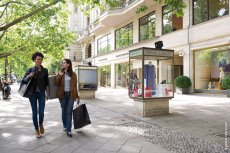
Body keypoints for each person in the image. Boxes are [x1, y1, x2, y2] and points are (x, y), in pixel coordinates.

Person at [21, 52, 49, 138]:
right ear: (34, 60)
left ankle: (41, 124)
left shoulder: (45, 70)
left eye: (41, 59)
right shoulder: (30, 70)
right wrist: (30, 75)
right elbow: (24, 81)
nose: (39, 61)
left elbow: (47, 83)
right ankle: (36, 130)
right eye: (38, 59)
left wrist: (47, 93)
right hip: (32, 93)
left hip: (41, 93)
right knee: (34, 112)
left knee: (41, 112)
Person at [55, 59, 80, 137]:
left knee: (69, 112)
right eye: (62, 63)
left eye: (64, 63)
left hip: (70, 95)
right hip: (62, 95)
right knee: (64, 111)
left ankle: (69, 130)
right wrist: (60, 75)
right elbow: (56, 83)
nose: (62, 64)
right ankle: (65, 126)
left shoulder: (73, 74)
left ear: (68, 64)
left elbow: (75, 86)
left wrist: (77, 96)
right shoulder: (60, 72)